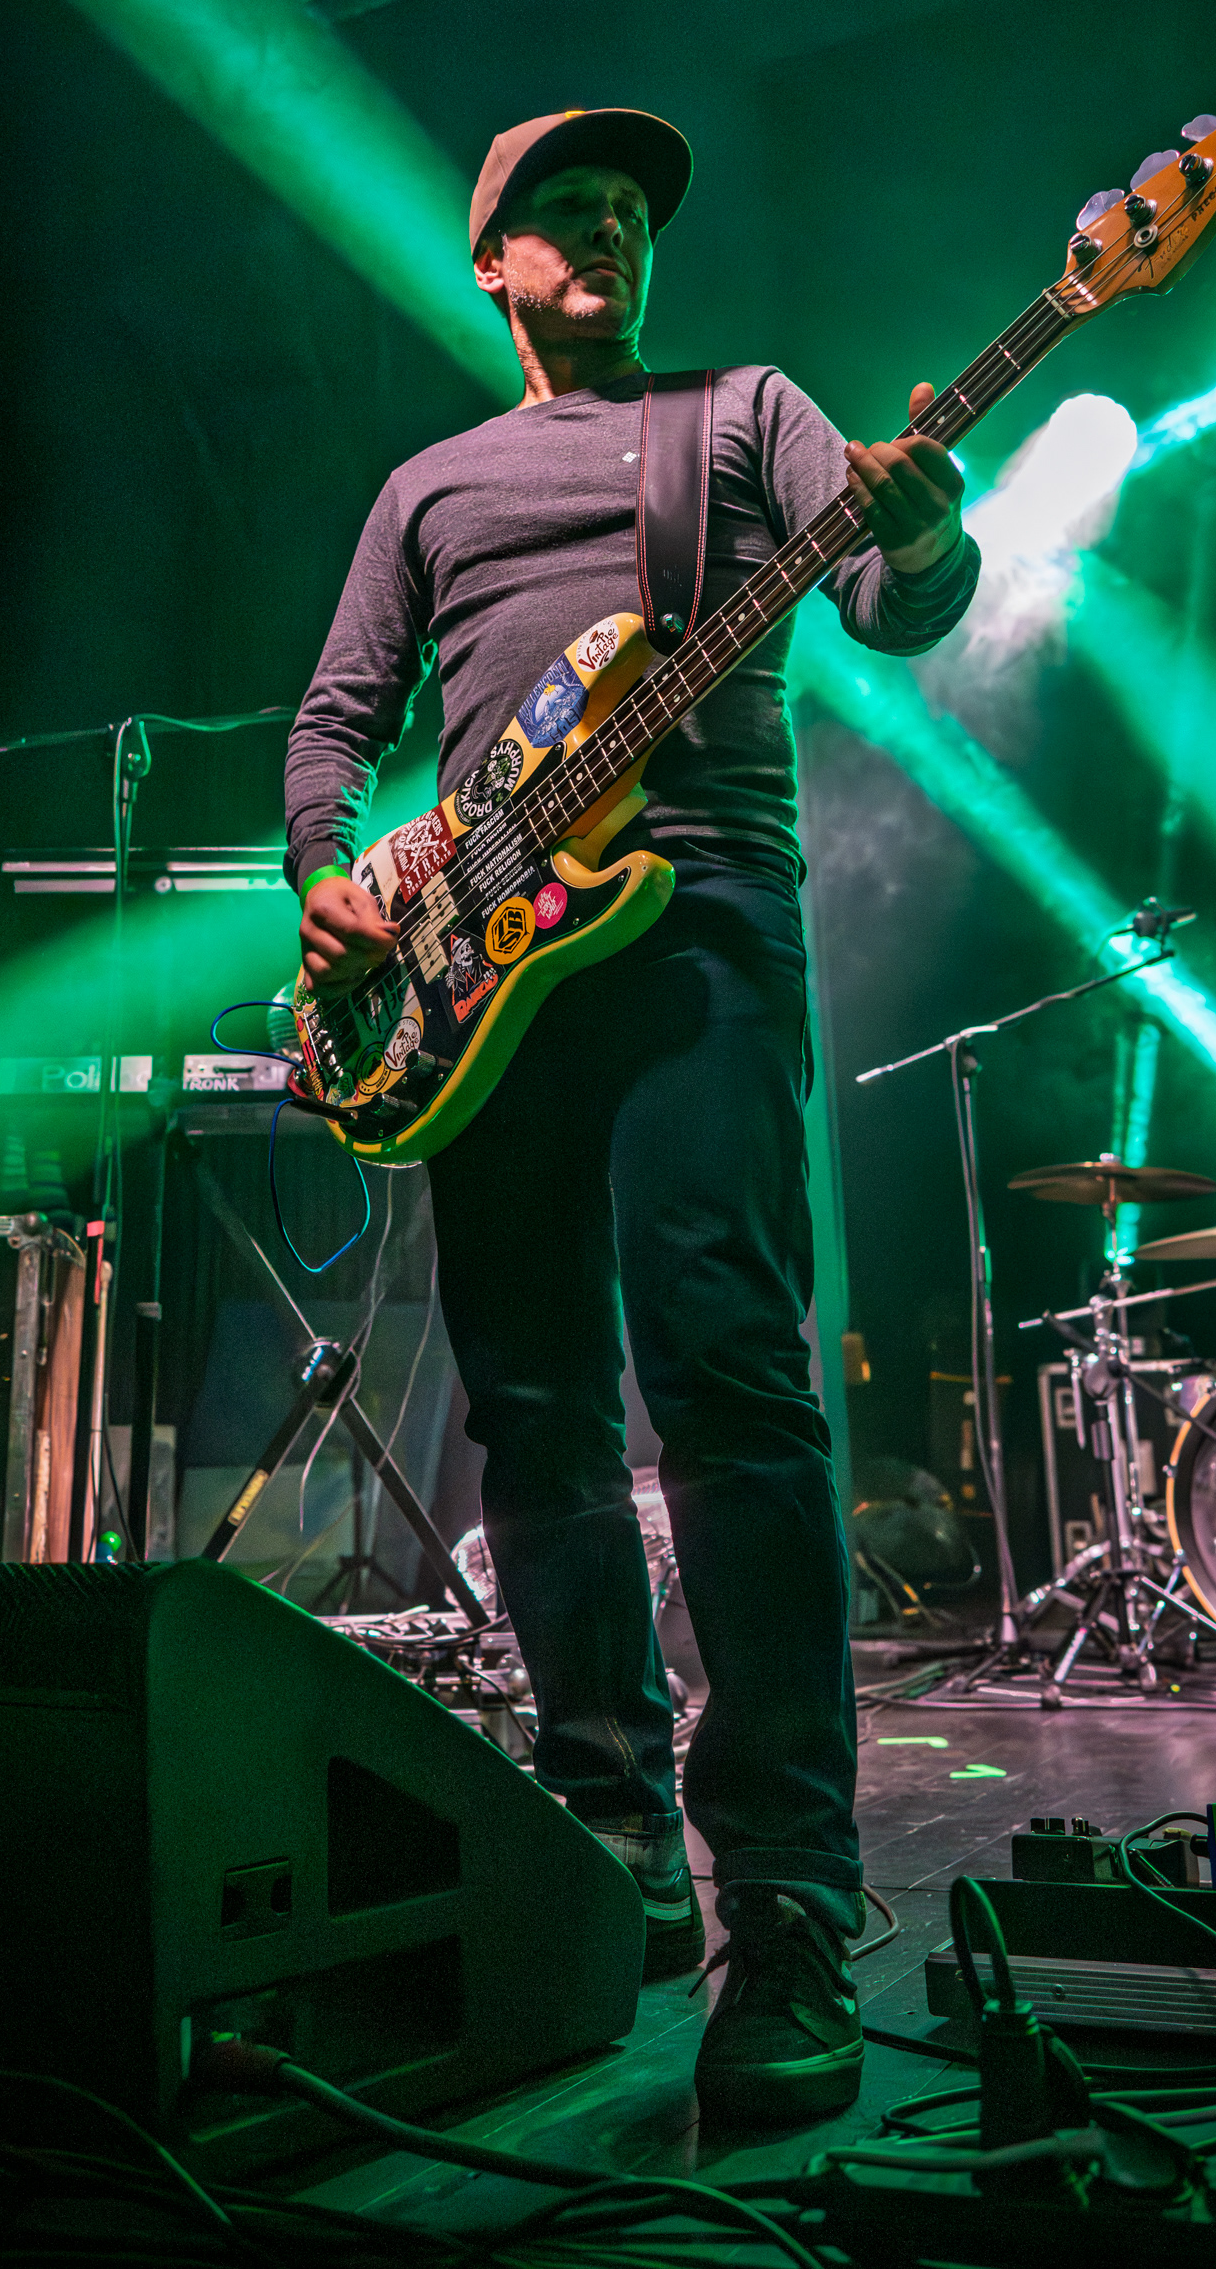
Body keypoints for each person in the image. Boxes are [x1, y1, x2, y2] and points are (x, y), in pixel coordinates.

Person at [285, 107, 980, 2124]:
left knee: (734, 1385)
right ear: (491, 261)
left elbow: (894, 606)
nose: (604, 230)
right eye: (562, 209)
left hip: (697, 927)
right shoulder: (428, 484)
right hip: (478, 970)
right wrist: (332, 870)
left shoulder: (742, 414)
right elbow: (335, 718)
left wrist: (927, 528)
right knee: (533, 1411)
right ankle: (601, 1825)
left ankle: (786, 1904)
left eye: (626, 210)